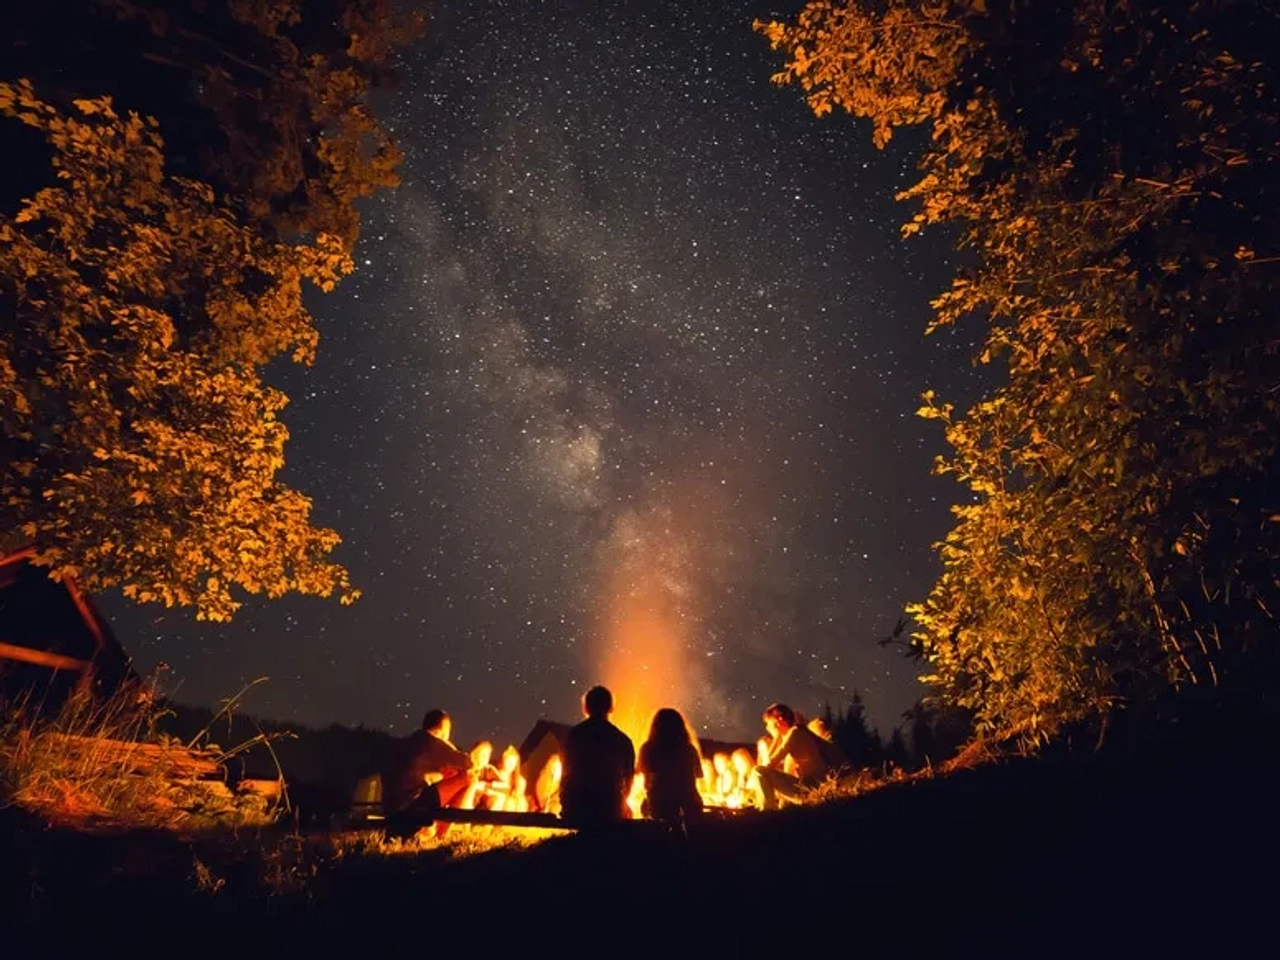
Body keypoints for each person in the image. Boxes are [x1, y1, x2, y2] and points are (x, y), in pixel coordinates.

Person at [381, 708, 477, 839]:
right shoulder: (432, 742)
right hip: (410, 808)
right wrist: (447, 743)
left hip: (390, 809)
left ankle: (428, 830)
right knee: (469, 777)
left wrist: (442, 775)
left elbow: (416, 776)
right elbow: (468, 763)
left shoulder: (409, 742)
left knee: (448, 776)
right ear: (444, 729)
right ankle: (441, 834)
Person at [559, 685, 635, 828]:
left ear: (586, 708)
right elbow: (629, 778)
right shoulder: (622, 740)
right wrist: (621, 803)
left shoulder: (574, 736)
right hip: (609, 809)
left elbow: (566, 773)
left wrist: (565, 804)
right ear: (610, 708)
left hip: (578, 808)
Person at [753, 703, 831, 811]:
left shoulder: (795, 733)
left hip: (810, 790)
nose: (767, 728)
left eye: (769, 723)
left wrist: (776, 737)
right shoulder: (798, 732)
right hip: (808, 787)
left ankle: (768, 810)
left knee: (758, 771)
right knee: (782, 803)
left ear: (780, 720)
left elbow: (770, 764)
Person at [637, 707, 704, 826]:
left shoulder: (648, 749)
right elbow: (698, 776)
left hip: (661, 805)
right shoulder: (689, 749)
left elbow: (646, 783)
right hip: (690, 805)